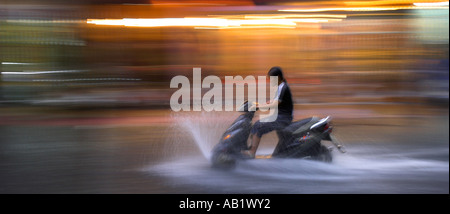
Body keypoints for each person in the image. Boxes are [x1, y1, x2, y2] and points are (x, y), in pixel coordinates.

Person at [241, 66, 294, 158]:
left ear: (277, 77)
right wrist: (258, 104)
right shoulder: (280, 86)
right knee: (256, 124)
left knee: (258, 126)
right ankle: (251, 147)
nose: (270, 82)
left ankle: (252, 152)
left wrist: (258, 106)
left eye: (271, 79)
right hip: (280, 116)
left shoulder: (283, 88)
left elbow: (275, 104)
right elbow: (273, 101)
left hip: (283, 118)